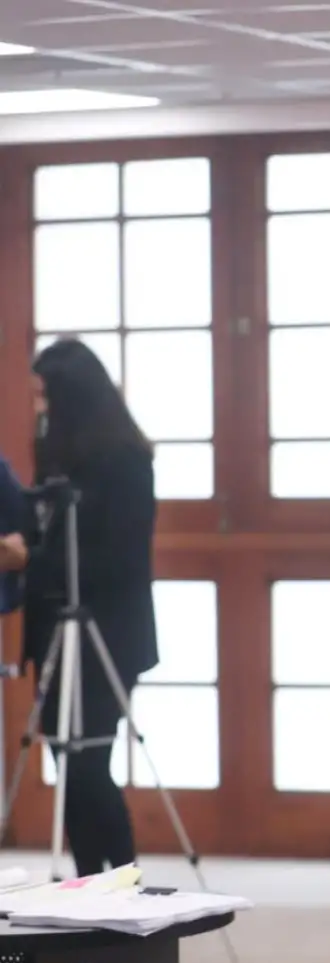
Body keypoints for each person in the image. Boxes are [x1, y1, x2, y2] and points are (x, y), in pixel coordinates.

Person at [23, 339, 159, 878]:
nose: (40, 408)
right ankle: (86, 884)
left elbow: (120, 558)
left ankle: (123, 882)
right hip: (55, 629)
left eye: (46, 396)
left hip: (108, 634)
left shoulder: (126, 461)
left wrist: (35, 556)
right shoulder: (55, 451)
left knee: (87, 765)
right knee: (64, 762)